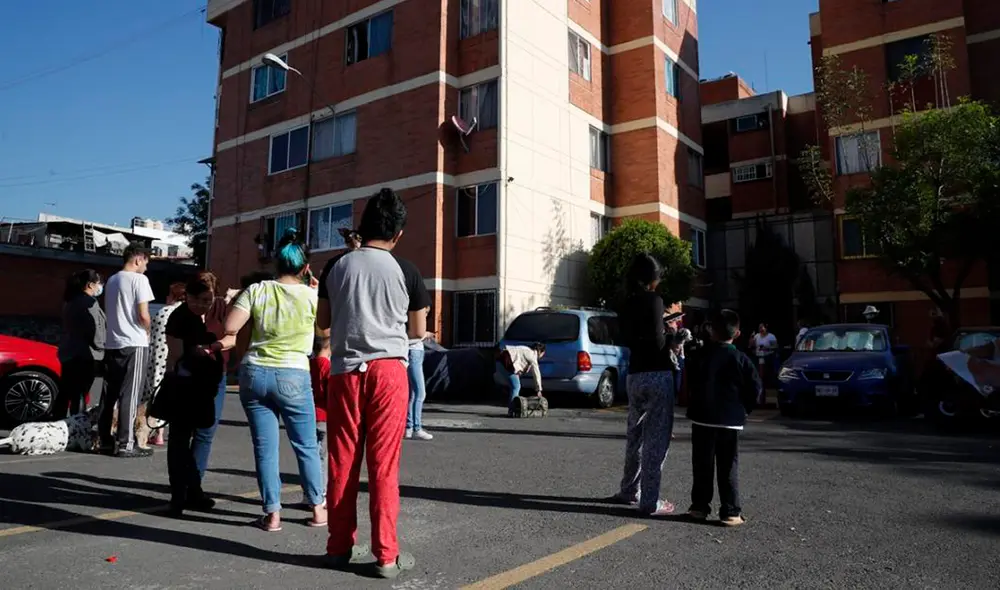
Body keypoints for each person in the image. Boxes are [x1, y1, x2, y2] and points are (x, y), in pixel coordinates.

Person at [315, 188, 427, 579]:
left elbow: (323, 323)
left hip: (345, 372)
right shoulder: (407, 271)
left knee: (342, 462)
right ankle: (386, 555)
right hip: (389, 373)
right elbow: (417, 329)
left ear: (362, 228)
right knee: (384, 467)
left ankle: (338, 547)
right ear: (398, 233)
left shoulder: (336, 266)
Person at [209, 228, 326, 532]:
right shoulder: (312, 295)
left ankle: (272, 514)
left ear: (276, 264)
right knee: (306, 445)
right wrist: (314, 291)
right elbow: (324, 332)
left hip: (255, 373)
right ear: (305, 267)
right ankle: (317, 508)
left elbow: (231, 327)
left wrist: (235, 300)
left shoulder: (258, 290)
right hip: (294, 375)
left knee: (265, 448)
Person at [610, 253, 677, 516]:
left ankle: (629, 490)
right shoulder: (655, 301)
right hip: (658, 374)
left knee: (635, 436)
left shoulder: (625, 302)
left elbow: (631, 337)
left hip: (635, 375)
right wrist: (672, 337)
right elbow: (658, 342)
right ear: (654, 279)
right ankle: (650, 501)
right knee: (656, 439)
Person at [685, 309, 762, 526]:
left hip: (703, 417)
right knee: (728, 465)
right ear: (737, 333)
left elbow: (690, 381)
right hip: (731, 419)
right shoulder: (741, 359)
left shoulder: (701, 355)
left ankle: (699, 507)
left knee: (702, 465)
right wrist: (744, 409)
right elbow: (756, 388)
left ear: (711, 331)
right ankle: (730, 511)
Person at [163, 276, 227, 516]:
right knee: (180, 441)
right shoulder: (180, 318)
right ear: (187, 296)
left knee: (193, 438)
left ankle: (191, 491)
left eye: (207, 301)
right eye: (198, 300)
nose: (203, 305)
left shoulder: (195, 317)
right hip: (185, 385)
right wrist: (206, 351)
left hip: (198, 385)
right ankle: (180, 495)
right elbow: (177, 356)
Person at [100, 243, 156, 458]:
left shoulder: (113, 280)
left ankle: (105, 439)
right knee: (130, 394)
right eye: (146, 263)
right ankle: (126, 443)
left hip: (113, 341)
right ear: (138, 259)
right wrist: (148, 330)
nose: (146, 268)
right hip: (134, 341)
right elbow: (143, 314)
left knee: (110, 393)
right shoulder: (139, 280)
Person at [55, 269, 106, 419]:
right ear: (90, 285)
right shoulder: (89, 303)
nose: (100, 287)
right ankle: (77, 426)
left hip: (69, 352)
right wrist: (103, 345)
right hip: (84, 354)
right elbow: (95, 329)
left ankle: (58, 422)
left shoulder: (71, 300)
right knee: (80, 394)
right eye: (98, 284)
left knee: (65, 392)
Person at [143, 282, 186, 446]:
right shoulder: (188, 313)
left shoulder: (163, 312)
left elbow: (152, 337)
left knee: (157, 393)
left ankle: (157, 432)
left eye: (169, 295)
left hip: (159, 358)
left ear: (173, 296)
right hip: (180, 359)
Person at [495, 343, 546, 411]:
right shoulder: (532, 355)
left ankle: (512, 406)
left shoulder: (526, 350)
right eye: (543, 354)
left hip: (500, 363)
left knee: (514, 386)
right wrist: (539, 389)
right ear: (540, 351)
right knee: (516, 386)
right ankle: (512, 409)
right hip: (506, 364)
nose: (542, 356)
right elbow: (536, 373)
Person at [749, 323, 777, 404]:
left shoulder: (771, 336)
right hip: (759, 357)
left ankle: (767, 395)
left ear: (766, 328)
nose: (760, 329)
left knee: (766, 376)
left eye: (762, 327)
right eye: (759, 327)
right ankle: (760, 396)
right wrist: (751, 338)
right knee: (759, 375)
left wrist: (766, 348)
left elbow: (775, 347)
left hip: (768, 357)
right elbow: (751, 346)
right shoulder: (757, 336)